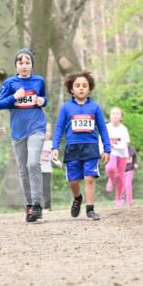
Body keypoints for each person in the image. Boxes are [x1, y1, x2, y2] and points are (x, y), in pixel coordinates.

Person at [0, 48, 47, 223]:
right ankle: (29, 205)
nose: (24, 66)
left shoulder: (39, 81)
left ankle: (38, 205)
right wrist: (14, 97)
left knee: (33, 163)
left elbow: (43, 98)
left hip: (37, 127)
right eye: (20, 63)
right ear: (16, 65)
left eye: (27, 62)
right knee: (23, 170)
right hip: (18, 131)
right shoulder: (10, 83)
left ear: (32, 64)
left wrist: (43, 101)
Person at [51, 70, 110, 221]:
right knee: (73, 180)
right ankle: (77, 198)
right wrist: (55, 147)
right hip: (72, 147)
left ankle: (90, 209)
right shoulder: (66, 108)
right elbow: (58, 128)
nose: (81, 88)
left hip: (90, 147)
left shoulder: (95, 107)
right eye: (77, 85)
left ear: (89, 88)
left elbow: (103, 128)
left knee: (90, 178)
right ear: (71, 89)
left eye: (85, 85)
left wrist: (107, 148)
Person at [105, 106, 130, 208]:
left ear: (121, 117)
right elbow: (101, 141)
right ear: (110, 116)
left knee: (120, 177)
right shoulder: (106, 127)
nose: (115, 115)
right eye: (113, 114)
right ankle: (111, 179)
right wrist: (102, 150)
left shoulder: (123, 129)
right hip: (110, 153)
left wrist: (114, 145)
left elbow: (125, 144)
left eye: (117, 114)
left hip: (122, 154)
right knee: (110, 168)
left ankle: (118, 199)